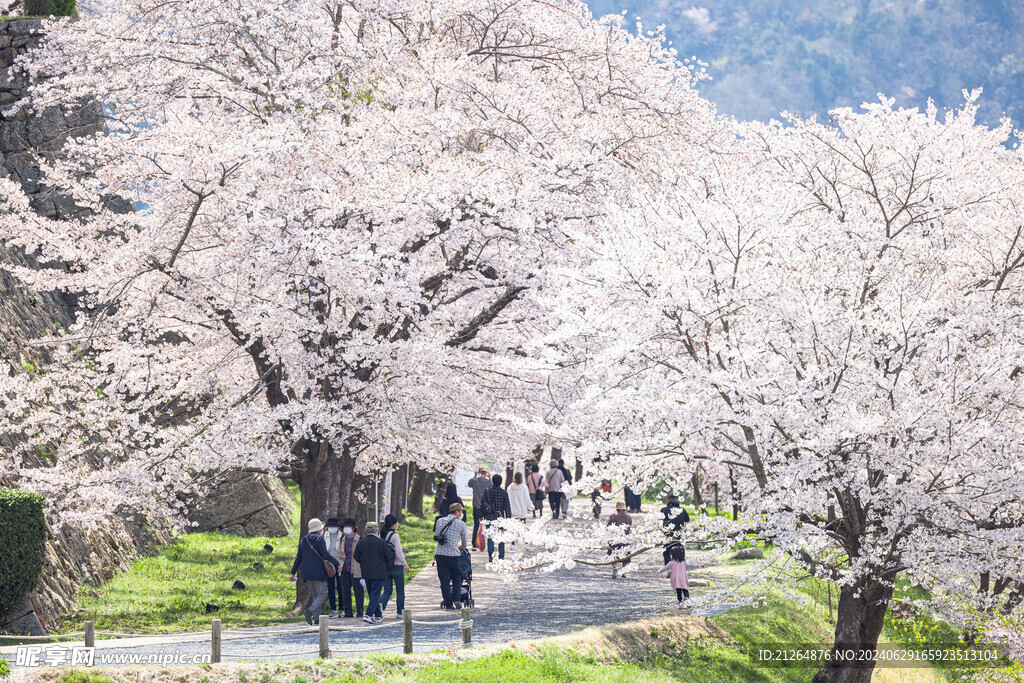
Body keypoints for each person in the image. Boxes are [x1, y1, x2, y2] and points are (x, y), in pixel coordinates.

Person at [290, 518, 341, 625]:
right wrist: (337, 564)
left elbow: (298, 557)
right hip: (318, 571)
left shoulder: (304, 540)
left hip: (306, 572)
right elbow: (325, 555)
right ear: (319, 530)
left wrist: (293, 572)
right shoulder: (319, 539)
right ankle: (309, 611)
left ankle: (317, 619)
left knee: (315, 595)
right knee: (321, 595)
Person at [353, 521, 395, 624]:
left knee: (372, 593)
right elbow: (389, 557)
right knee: (375, 594)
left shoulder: (361, 542)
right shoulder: (382, 542)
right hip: (379, 572)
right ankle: (368, 614)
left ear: (366, 531)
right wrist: (387, 566)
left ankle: (378, 615)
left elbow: (356, 556)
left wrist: (364, 563)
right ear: (376, 531)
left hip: (366, 572)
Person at [434, 502, 469, 609]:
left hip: (440, 554)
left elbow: (437, 534)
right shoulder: (461, 524)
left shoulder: (439, 521)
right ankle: (456, 599)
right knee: (457, 577)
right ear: (456, 512)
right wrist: (462, 548)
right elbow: (465, 540)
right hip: (454, 554)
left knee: (444, 580)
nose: (462, 513)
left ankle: (448, 603)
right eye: (461, 511)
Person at [380, 514, 410, 617]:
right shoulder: (395, 536)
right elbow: (398, 551)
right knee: (400, 590)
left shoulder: (382, 535)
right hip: (396, 565)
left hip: (385, 566)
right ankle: (399, 612)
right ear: (393, 525)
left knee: (387, 590)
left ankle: (381, 604)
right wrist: (405, 564)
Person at [336, 518, 365, 618]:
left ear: (353, 528)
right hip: (345, 569)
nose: (346, 529)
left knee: (358, 592)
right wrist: (341, 556)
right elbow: (340, 552)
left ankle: (360, 612)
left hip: (356, 570)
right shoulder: (342, 539)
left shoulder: (360, 539)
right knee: (345, 592)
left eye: (347, 527)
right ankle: (348, 612)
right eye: (344, 527)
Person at [480, 473, 512, 562]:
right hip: (500, 519)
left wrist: (481, 515)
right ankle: (501, 556)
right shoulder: (504, 493)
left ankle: (491, 555)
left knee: (490, 537)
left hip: (489, 518)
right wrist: (508, 520)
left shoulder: (487, 491)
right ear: (501, 482)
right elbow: (507, 508)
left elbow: (482, 504)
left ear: (492, 481)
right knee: (501, 538)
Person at [323, 517, 344, 618]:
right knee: (330, 587)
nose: (332, 528)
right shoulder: (325, 535)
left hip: (339, 563)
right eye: (330, 526)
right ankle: (333, 609)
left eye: (334, 526)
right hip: (329, 564)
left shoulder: (342, 535)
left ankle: (341, 609)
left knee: (340, 587)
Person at [661, 493, 691, 563]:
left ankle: (668, 569)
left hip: (667, 535)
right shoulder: (682, 510)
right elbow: (687, 520)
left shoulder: (664, 510)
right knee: (679, 553)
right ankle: (680, 569)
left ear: (668, 500)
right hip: (679, 535)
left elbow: (660, 522)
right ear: (677, 500)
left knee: (666, 553)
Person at [606, 501, 633, 579]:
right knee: (626, 557)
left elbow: (608, 527)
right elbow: (630, 527)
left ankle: (615, 568)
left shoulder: (613, 516)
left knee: (613, 555)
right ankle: (624, 574)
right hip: (625, 539)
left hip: (615, 539)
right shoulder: (628, 516)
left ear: (617, 508)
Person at [468, 468, 491, 551]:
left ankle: (474, 544)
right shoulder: (488, 481)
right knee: (488, 525)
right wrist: (490, 477)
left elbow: (469, 484)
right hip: (486, 507)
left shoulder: (474, 481)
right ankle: (489, 543)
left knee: (476, 525)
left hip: (476, 506)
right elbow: (492, 486)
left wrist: (474, 476)